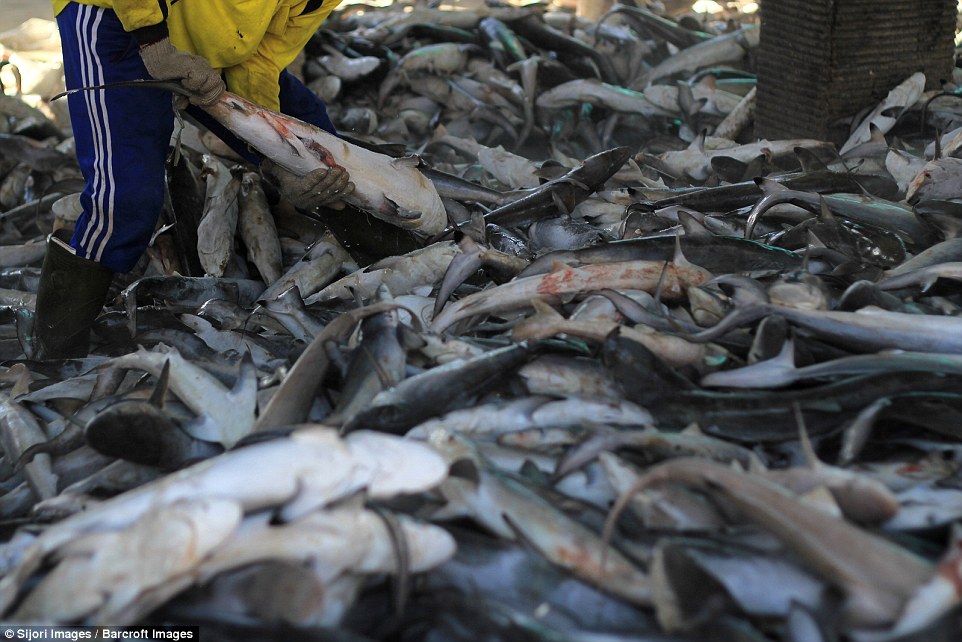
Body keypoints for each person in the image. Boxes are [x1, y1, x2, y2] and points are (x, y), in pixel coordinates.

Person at [36, 0, 355, 359]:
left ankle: (365, 244)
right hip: (116, 19)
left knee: (317, 141)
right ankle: (53, 352)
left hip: (202, 47)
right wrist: (154, 44)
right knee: (126, 200)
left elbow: (260, 60)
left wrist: (278, 161)